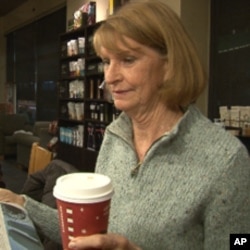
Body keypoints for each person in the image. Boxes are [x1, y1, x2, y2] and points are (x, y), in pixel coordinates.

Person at [1, 1, 250, 249]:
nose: (109, 77)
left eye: (128, 60)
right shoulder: (114, 137)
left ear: (170, 64)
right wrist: (22, 204)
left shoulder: (226, 160)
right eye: (107, 61)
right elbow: (93, 233)